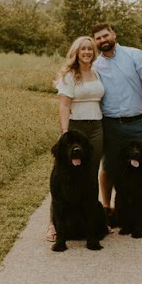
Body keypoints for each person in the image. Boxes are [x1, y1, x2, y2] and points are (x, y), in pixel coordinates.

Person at [92, 22, 142, 238]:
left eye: (105, 35)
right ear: (95, 42)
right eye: (98, 38)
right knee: (108, 167)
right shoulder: (96, 65)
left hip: (138, 121)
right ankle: (108, 210)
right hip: (110, 124)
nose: (102, 40)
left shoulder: (134, 55)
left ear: (114, 34)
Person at [46, 35, 105, 242]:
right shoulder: (70, 75)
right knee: (62, 177)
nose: (87, 52)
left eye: (90, 49)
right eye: (83, 49)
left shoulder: (98, 72)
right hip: (75, 127)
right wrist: (65, 131)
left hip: (96, 127)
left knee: (90, 175)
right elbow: (63, 105)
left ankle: (92, 223)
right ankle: (53, 226)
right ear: (76, 52)